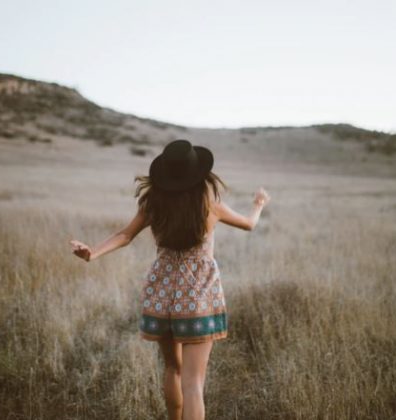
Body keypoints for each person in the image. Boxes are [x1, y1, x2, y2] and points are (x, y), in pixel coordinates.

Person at [69, 139, 270, 420]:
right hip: (198, 295)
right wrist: (259, 204)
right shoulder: (210, 205)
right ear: (199, 174)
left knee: (171, 369)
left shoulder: (154, 203)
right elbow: (249, 224)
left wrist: (93, 253)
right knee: (194, 384)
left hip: (161, 294)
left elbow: (125, 235)